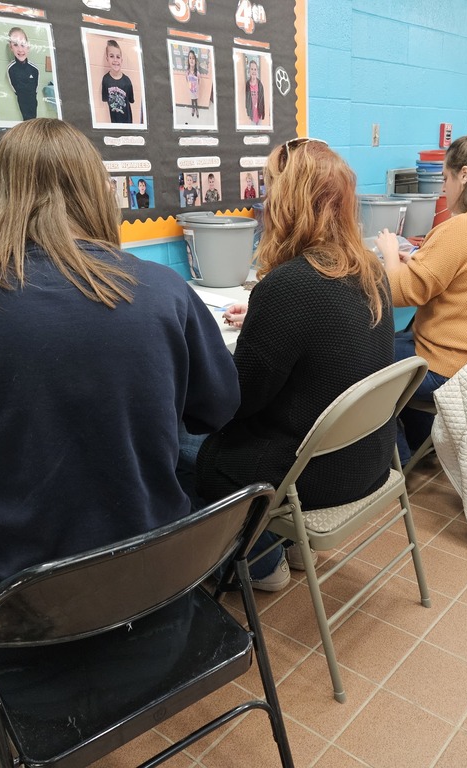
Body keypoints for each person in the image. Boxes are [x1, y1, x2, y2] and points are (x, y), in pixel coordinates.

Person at [0, 119, 239, 616]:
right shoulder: (165, 290)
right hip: (153, 563)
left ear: (3, 193)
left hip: (15, 588)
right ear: (97, 189)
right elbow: (217, 408)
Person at [183, 137, 396, 592]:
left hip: (311, 479)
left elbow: (234, 404)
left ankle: (261, 563)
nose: (264, 201)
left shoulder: (288, 288)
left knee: (182, 441)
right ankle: (292, 547)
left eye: (269, 190)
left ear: (286, 201)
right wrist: (262, 319)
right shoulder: (372, 273)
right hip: (367, 459)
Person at [376, 131, 467, 464]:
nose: (443, 188)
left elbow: (401, 292)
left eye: (445, 178)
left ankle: (393, 465)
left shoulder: (460, 227)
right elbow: (461, 279)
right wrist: (416, 261)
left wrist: (388, 253)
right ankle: (420, 445)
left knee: (364, 360)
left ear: (465, 174)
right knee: (397, 339)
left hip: (447, 365)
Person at [7, 27, 38, 121]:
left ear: (28, 46)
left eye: (23, 44)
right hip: (21, 103)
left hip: (33, 103)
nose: (20, 50)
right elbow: (15, 89)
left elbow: (35, 89)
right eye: (15, 45)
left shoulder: (34, 69)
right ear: (11, 47)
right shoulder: (11, 69)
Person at [101, 39, 134, 124]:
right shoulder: (105, 79)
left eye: (118, 57)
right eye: (112, 56)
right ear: (107, 59)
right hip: (113, 123)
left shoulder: (127, 81)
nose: (115, 60)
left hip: (127, 123)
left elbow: (131, 100)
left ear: (121, 60)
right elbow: (105, 100)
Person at [244, 58, 266, 126]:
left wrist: (263, 114)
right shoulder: (247, 85)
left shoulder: (260, 84)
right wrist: (248, 113)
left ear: (257, 71)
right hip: (251, 116)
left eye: (255, 69)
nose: (253, 71)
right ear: (249, 70)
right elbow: (246, 100)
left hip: (259, 115)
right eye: (252, 69)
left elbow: (262, 100)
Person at [185, 49, 200, 118]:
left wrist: (195, 88)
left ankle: (196, 109)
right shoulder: (187, 72)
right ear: (188, 60)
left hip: (196, 91)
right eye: (190, 58)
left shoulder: (197, 73)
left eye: (193, 58)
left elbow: (198, 81)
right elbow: (187, 80)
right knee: (192, 100)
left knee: (195, 100)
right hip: (190, 90)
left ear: (195, 61)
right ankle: (193, 108)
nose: (191, 60)